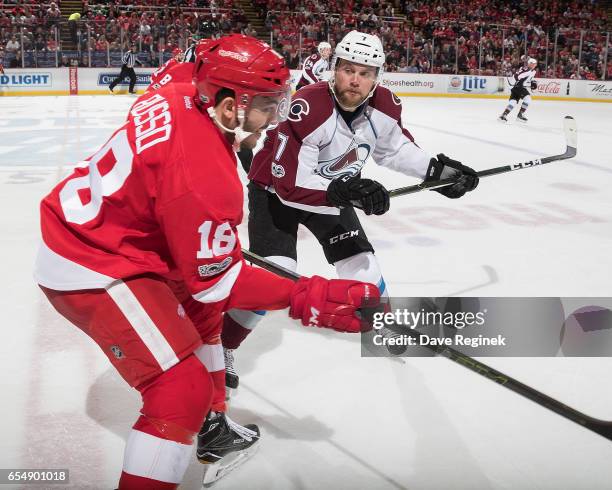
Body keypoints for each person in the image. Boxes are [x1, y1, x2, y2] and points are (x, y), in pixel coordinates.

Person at [34, 34, 378, 489]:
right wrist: (307, 294)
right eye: (268, 105)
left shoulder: (177, 91)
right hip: (92, 260)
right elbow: (220, 282)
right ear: (232, 105)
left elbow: (183, 69)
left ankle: (214, 427)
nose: (275, 120)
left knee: (203, 315)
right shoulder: (204, 177)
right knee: (180, 390)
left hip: (122, 235)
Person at [221, 30, 479, 393]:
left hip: (333, 192)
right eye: (348, 69)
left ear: (377, 77)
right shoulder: (307, 106)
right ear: (334, 69)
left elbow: (395, 150)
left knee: (361, 262)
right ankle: (222, 346)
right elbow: (289, 186)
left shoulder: (384, 106)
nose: (355, 80)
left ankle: (380, 323)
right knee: (278, 275)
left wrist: (438, 173)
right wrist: (347, 191)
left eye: (365, 72)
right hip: (274, 194)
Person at [499, 57, 538, 122]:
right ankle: (520, 115)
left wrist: (532, 82)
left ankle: (503, 115)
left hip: (515, 87)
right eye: (533, 64)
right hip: (518, 87)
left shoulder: (532, 71)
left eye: (535, 64)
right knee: (528, 99)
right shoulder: (527, 70)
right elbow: (517, 76)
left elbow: (527, 79)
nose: (534, 65)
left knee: (513, 102)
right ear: (529, 64)